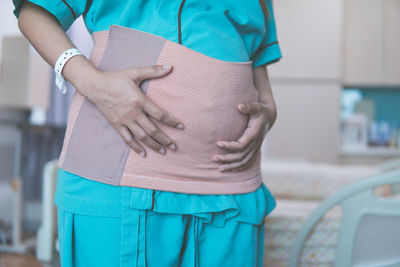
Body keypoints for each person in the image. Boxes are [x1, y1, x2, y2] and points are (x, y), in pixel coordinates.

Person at [13, 0, 282, 266]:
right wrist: (92, 82)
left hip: (231, 184)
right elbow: (33, 11)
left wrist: (267, 112)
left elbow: (256, 58)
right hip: (121, 173)